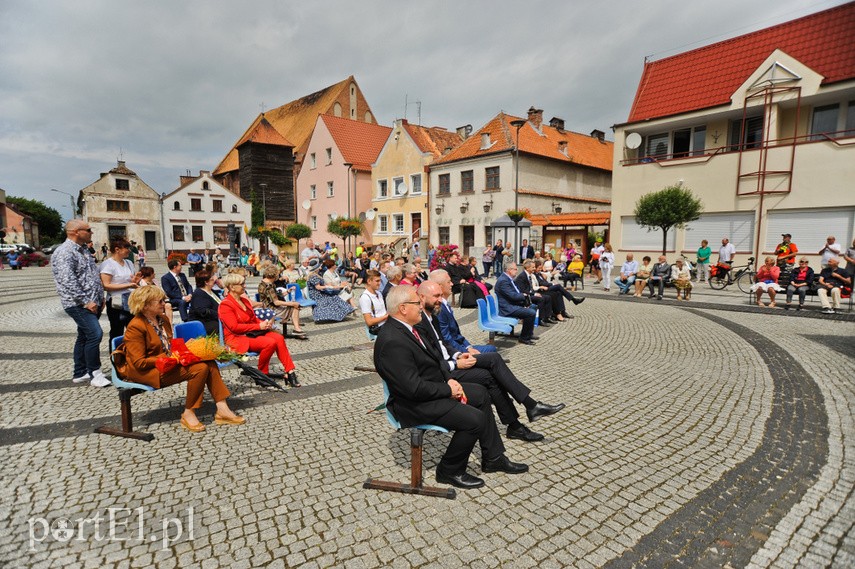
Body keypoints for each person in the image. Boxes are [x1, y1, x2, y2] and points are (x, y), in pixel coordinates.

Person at [373, 285, 528, 489]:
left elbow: (437, 359)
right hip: (411, 404)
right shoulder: (393, 340)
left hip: (429, 391)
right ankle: (449, 469)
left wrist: (450, 380)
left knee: (481, 393)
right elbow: (412, 388)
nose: (421, 306)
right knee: (475, 420)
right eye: (416, 303)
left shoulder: (409, 329)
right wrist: (448, 390)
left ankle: (493, 458)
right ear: (403, 308)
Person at [417, 281, 565, 442]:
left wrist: (459, 354)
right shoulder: (420, 321)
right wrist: (456, 362)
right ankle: (528, 410)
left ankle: (519, 422)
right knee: (493, 361)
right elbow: (432, 355)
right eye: (436, 295)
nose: (451, 284)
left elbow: (443, 344)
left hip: (453, 360)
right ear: (421, 297)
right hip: (445, 371)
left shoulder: (432, 316)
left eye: (440, 295)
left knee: (492, 373)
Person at [124, 286, 244, 432]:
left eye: (164, 300)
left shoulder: (161, 319)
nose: (165, 304)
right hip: (149, 371)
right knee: (200, 369)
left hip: (168, 363)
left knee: (209, 362)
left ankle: (222, 408)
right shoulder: (136, 326)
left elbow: (170, 345)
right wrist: (169, 357)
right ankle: (188, 412)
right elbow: (138, 362)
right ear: (145, 305)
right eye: (160, 301)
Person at [51, 220, 110, 387]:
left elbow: (92, 275)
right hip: (78, 304)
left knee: (84, 336)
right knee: (95, 334)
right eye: (88, 230)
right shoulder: (65, 252)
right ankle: (95, 373)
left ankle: (80, 372)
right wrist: (86, 301)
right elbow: (67, 281)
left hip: (93, 301)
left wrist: (100, 297)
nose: (91, 232)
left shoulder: (83, 250)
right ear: (76, 232)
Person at [219, 272, 300, 386]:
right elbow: (234, 328)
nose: (245, 286)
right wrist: (258, 326)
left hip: (251, 333)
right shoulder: (225, 305)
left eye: (244, 283)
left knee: (279, 337)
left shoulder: (245, 301)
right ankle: (262, 373)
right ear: (232, 287)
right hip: (237, 338)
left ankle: (290, 371)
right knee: (270, 343)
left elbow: (253, 319)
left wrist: (264, 324)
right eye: (242, 284)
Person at [429, 270, 497, 354]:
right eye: (449, 282)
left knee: (491, 349)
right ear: (440, 286)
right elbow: (446, 339)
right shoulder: (439, 309)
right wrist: (466, 351)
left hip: (460, 346)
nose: (452, 284)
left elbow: (456, 335)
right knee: (491, 351)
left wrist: (468, 346)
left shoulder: (445, 305)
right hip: (455, 352)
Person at [100, 237, 140, 343]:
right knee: (117, 331)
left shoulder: (129, 263)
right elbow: (106, 285)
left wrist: (135, 281)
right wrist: (128, 285)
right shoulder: (108, 264)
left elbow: (132, 282)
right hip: (116, 302)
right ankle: (116, 356)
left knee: (134, 330)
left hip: (130, 300)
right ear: (117, 249)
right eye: (126, 247)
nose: (129, 250)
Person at [257, 266, 307, 338]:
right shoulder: (269, 286)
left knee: (294, 306)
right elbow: (276, 302)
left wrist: (288, 291)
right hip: (271, 309)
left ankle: (296, 328)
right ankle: (296, 328)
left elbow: (277, 296)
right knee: (295, 306)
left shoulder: (264, 283)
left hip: (270, 307)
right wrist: (292, 303)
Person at [495, 263, 538, 345]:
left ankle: (528, 334)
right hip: (507, 308)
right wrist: (523, 296)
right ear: (509, 270)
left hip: (512, 304)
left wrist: (524, 298)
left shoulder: (508, 279)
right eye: (515, 269)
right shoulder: (503, 280)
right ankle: (524, 338)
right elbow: (513, 296)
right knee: (530, 313)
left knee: (533, 307)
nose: (517, 270)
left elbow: (515, 293)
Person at [188, 270, 222, 336]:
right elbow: (203, 311)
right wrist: (220, 314)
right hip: (203, 322)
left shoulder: (212, 292)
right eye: (212, 279)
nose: (214, 280)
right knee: (223, 326)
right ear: (206, 282)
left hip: (215, 319)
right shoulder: (199, 294)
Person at [359, 270, 387, 335]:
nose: (379, 283)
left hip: (385, 326)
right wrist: (386, 317)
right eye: (377, 281)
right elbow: (369, 321)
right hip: (377, 329)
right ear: (369, 281)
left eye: (380, 280)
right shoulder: (365, 297)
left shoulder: (379, 293)